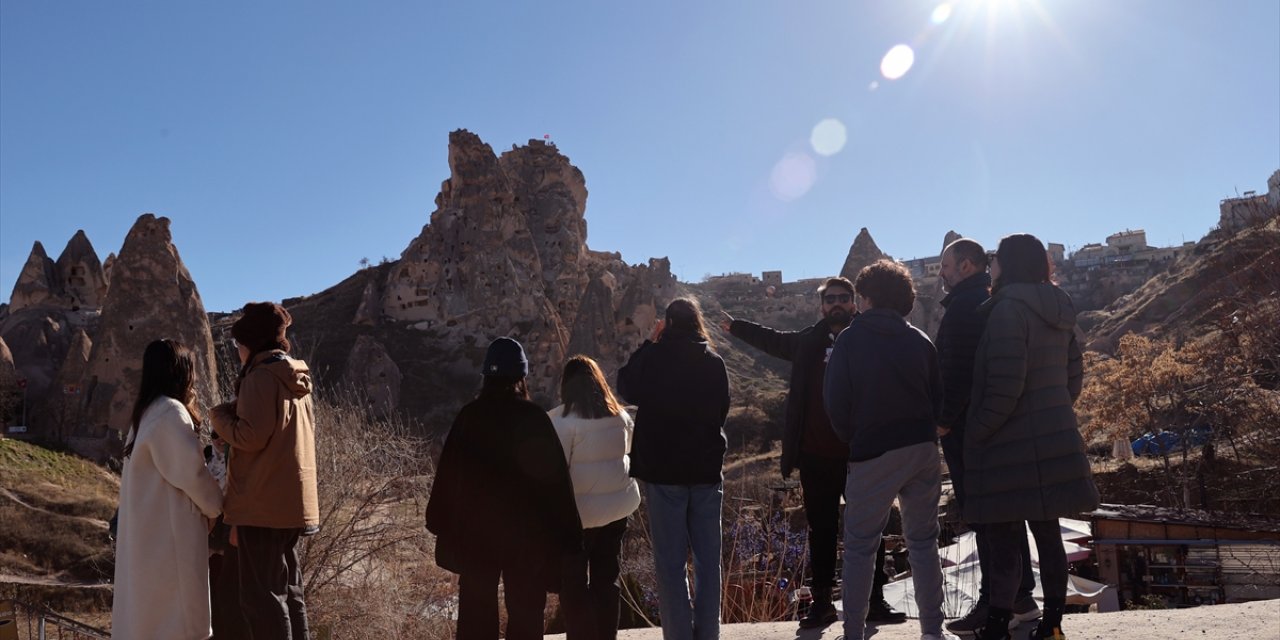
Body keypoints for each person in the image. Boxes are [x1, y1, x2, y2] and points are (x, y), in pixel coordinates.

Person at [721, 277, 906, 628]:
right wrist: (738, 327)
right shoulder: (808, 342)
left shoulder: (869, 337)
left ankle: (874, 600)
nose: (836, 304)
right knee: (820, 530)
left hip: (861, 452)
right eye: (830, 299)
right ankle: (821, 602)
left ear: (855, 302)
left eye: (843, 298)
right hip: (815, 454)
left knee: (868, 529)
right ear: (821, 306)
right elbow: (773, 340)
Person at [963, 234, 1099, 640]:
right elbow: (1074, 378)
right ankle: (1053, 626)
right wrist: (1052, 410)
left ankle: (996, 626)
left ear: (1009, 265)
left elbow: (1005, 386)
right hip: (1055, 439)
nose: (991, 268)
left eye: (996, 261)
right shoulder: (1061, 311)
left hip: (1009, 446)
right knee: (1048, 534)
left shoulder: (1007, 311)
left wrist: (977, 431)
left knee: (1004, 539)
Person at [823, 260, 956, 640]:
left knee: (861, 546)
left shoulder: (849, 340)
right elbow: (938, 398)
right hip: (921, 450)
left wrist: (854, 436)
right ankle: (933, 630)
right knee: (924, 542)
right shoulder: (920, 341)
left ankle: (853, 632)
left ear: (864, 299)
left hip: (872, 451)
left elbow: (835, 402)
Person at [425, 337, 583, 640]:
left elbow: (448, 475)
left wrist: (440, 522)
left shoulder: (470, 416)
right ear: (522, 376)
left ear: (486, 375)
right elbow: (556, 485)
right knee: (526, 613)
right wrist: (570, 538)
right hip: (527, 539)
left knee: (475, 613)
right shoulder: (534, 418)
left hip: (476, 536)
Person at [934, 240, 1040, 635]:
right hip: (991, 428)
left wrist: (944, 420)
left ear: (965, 265)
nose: (940, 272)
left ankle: (998, 601)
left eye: (945, 265)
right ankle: (1020, 598)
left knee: (987, 519)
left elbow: (959, 370)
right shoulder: (980, 300)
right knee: (1003, 517)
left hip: (970, 432)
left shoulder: (965, 307)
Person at [618, 298, 730, 640]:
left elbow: (625, 387)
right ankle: (708, 634)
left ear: (666, 323)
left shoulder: (653, 357)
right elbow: (721, 411)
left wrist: (648, 344)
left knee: (670, 565)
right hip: (706, 472)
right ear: (697, 322)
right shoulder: (713, 361)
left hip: (664, 472)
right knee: (708, 563)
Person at [210, 302, 318, 640]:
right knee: (291, 594)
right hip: (293, 504)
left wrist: (218, 417)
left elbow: (249, 436)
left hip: (262, 505)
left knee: (262, 600)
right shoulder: (293, 378)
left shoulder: (260, 377)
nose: (238, 352)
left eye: (239, 344)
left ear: (251, 343)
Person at [113, 338, 224, 640]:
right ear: (181, 372)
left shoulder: (146, 414)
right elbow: (193, 477)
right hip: (169, 543)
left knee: (148, 623)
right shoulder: (170, 414)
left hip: (149, 540)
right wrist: (216, 505)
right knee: (174, 625)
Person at [550, 355, 642, 640]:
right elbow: (628, 451)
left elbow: (553, 468)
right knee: (606, 580)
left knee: (573, 584)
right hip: (615, 511)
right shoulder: (621, 417)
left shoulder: (558, 421)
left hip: (575, 516)